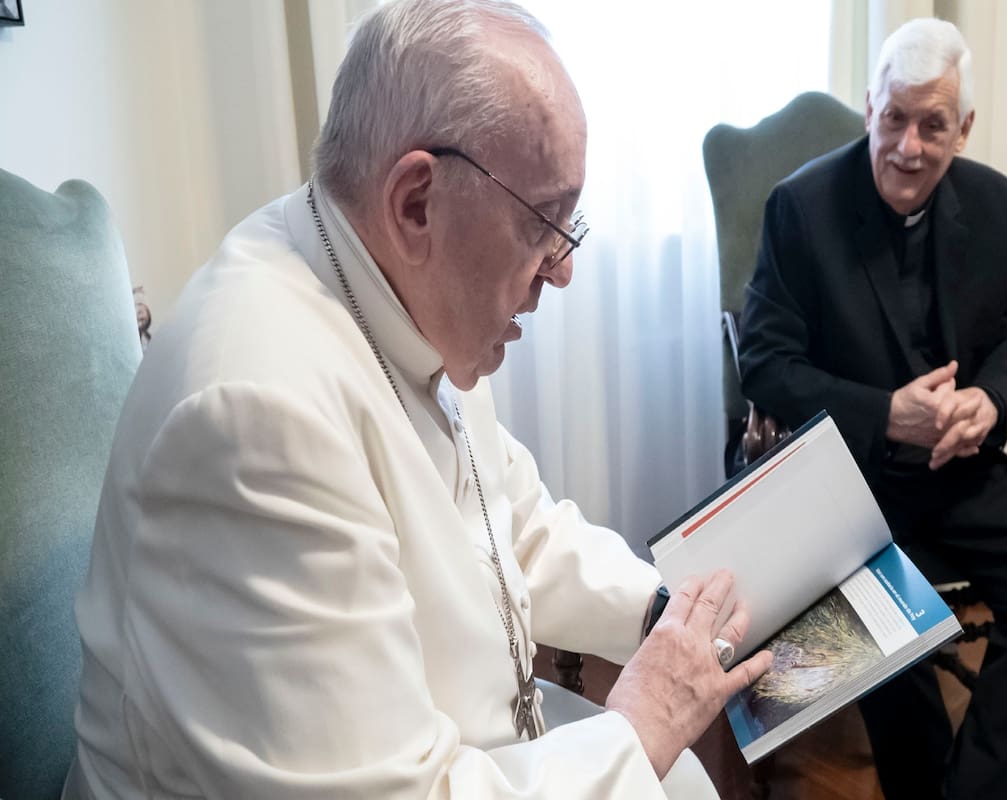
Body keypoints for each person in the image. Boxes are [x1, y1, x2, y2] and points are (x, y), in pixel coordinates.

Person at [63, 2, 772, 798]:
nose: (563, 269)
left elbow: (512, 525)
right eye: (545, 223)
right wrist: (641, 719)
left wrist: (666, 612)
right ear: (414, 203)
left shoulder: (394, 285)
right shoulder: (258, 413)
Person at [737, 18, 1007, 800]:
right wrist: (883, 413)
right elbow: (763, 361)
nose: (907, 145)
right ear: (869, 108)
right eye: (894, 118)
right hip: (848, 474)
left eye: (932, 124)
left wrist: (991, 399)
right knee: (882, 635)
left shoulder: (997, 205)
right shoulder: (801, 207)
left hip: (958, 469)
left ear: (962, 130)